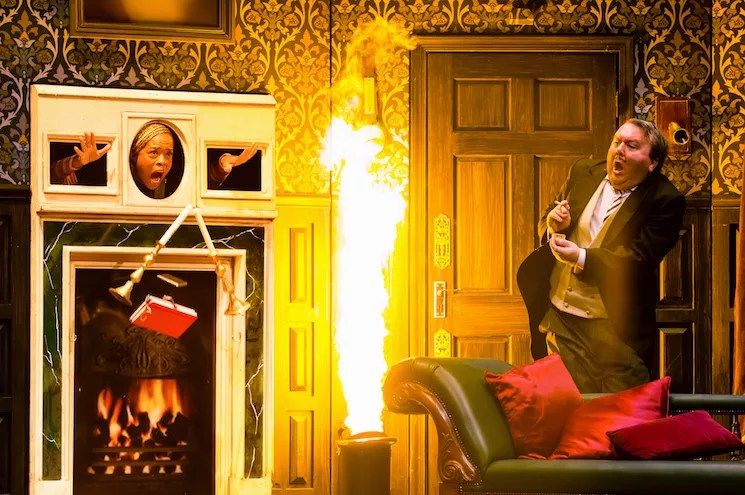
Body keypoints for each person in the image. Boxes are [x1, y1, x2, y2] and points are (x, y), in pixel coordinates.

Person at [517, 118, 685, 393]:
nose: (619, 150)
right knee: (568, 403)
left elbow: (639, 259)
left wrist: (582, 257)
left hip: (616, 329)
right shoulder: (583, 171)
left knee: (622, 410)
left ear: (652, 162)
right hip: (562, 318)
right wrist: (555, 225)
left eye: (631, 146)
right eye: (617, 142)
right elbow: (551, 215)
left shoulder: (666, 200)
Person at [52, 121, 258, 197]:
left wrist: (223, 166)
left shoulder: (173, 182)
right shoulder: (105, 177)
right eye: (153, 152)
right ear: (135, 156)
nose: (163, 161)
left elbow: (204, 182)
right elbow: (52, 176)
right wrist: (79, 162)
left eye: (168, 154)